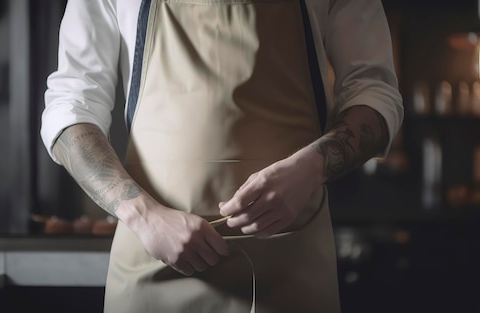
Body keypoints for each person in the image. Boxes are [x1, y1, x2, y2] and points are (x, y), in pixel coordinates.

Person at [41, 0, 403, 312]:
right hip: (151, 261)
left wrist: (311, 168)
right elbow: (71, 110)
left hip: (290, 266)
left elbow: (375, 94)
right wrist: (144, 216)